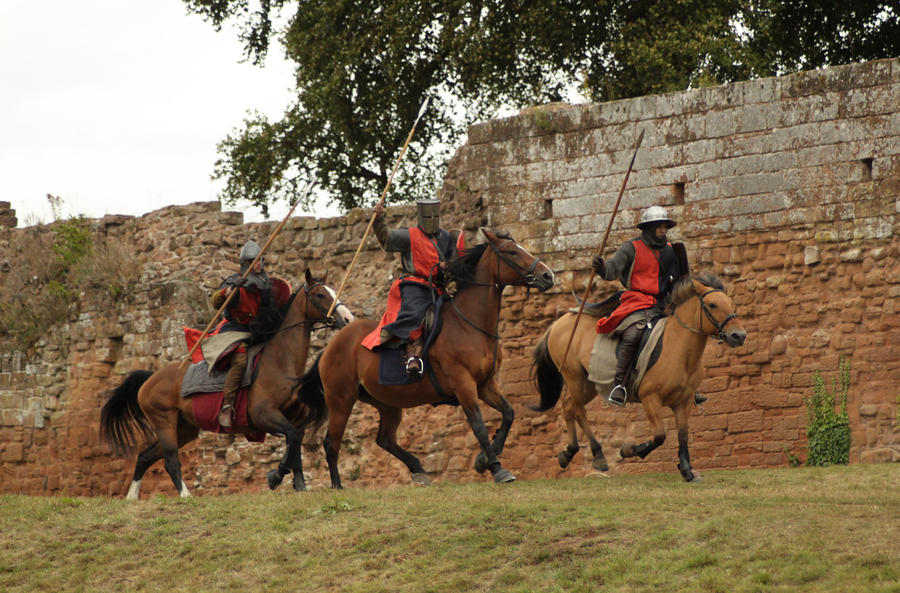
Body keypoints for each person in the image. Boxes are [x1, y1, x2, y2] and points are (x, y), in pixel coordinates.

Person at [592, 205, 688, 406]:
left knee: (682, 335)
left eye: (665, 227)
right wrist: (601, 267)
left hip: (662, 304)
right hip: (636, 302)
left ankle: (685, 384)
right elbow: (612, 271)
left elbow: (679, 280)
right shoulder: (631, 248)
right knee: (634, 334)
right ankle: (620, 385)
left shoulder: (671, 252)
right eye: (660, 227)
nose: (663, 230)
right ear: (649, 228)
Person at [361, 198, 464, 376]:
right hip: (414, 285)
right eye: (428, 215)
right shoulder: (409, 235)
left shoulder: (447, 237)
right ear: (421, 215)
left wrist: (448, 266)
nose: (431, 218)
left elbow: (455, 262)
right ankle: (412, 356)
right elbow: (386, 237)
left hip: (438, 287)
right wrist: (378, 219)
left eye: (434, 215)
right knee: (416, 314)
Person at [210, 239, 272, 427]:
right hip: (234, 329)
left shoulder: (265, 283)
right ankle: (228, 405)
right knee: (240, 360)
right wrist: (229, 291)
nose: (259, 264)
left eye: (261, 260)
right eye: (255, 260)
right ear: (246, 262)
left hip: (257, 330)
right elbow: (215, 302)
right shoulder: (234, 281)